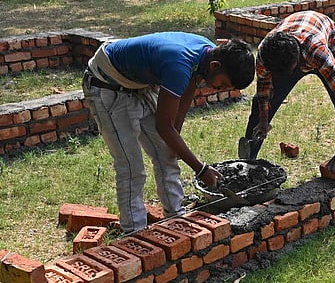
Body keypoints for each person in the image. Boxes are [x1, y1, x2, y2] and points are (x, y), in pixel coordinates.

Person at [83, 33, 256, 234]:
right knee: (131, 167)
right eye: (224, 84)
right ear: (215, 66)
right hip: (106, 84)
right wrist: (201, 169)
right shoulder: (179, 64)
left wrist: (174, 140)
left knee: (167, 153)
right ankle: (134, 233)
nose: (220, 89)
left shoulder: (207, 55)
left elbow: (187, 93)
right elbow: (163, 127)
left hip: (139, 85)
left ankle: (175, 217)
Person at [243, 11, 335, 172]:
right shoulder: (265, 54)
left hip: (329, 42)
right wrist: (263, 119)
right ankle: (247, 163)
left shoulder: (317, 52)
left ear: (297, 60)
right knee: (259, 103)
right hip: (296, 41)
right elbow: (264, 90)